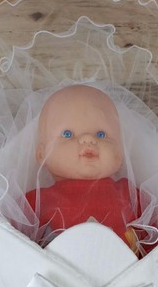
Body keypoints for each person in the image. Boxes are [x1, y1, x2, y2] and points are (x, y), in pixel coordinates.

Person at [25, 84, 148, 253]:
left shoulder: (131, 195)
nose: (88, 139)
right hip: (55, 269)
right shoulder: (38, 201)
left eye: (101, 134)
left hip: (130, 268)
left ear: (120, 153)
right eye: (68, 134)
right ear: (41, 154)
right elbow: (9, 240)